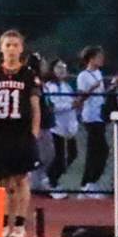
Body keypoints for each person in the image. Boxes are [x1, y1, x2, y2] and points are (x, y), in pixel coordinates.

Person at [0, 30, 42, 234]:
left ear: (22, 49)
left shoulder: (29, 75)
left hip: (21, 131)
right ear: (1, 48)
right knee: (2, 179)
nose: (11, 49)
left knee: (21, 178)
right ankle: (4, 222)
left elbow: (35, 107)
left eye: (15, 45)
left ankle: (19, 224)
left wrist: (33, 133)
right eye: (8, 45)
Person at [74, 46, 110, 195]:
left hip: (100, 115)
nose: (101, 59)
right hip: (90, 116)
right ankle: (87, 182)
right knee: (94, 148)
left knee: (103, 150)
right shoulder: (83, 76)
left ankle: (94, 179)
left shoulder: (99, 74)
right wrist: (91, 88)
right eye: (98, 57)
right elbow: (81, 97)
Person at [42, 58, 80, 195]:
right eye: (58, 68)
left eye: (63, 67)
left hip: (69, 126)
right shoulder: (50, 86)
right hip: (57, 126)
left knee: (72, 154)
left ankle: (52, 178)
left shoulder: (67, 86)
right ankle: (51, 182)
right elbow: (53, 106)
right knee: (59, 156)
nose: (62, 70)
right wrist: (70, 105)